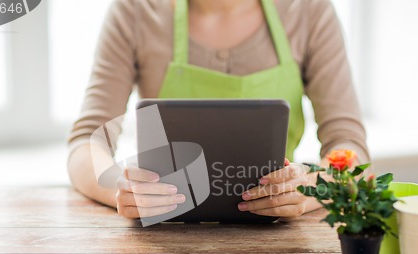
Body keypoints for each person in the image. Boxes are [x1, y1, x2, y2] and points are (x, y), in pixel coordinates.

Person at [67, 0, 370, 222]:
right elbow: (86, 143)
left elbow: (350, 147)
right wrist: (123, 188)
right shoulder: (135, 10)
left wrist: (310, 188)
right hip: (166, 244)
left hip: (273, 239)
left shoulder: (309, 10)